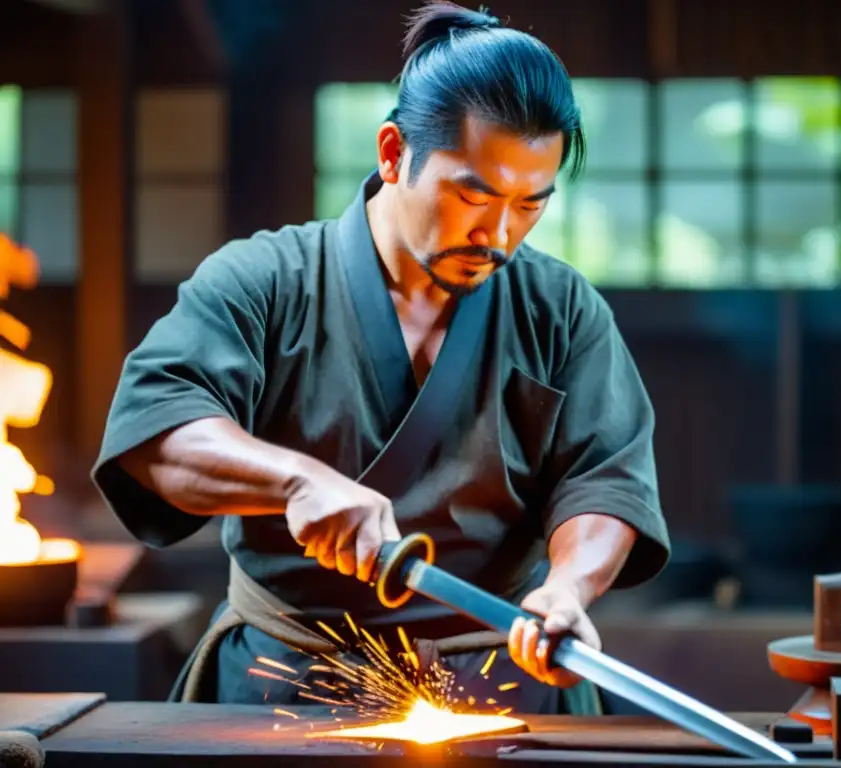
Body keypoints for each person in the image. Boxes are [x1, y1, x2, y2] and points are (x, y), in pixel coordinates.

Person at [92, 0, 670, 715]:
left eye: (530, 205)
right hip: (286, 683)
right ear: (394, 153)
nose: (498, 234)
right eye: (472, 193)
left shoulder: (561, 308)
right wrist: (295, 480)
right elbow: (158, 434)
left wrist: (568, 588)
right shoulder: (264, 281)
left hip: (502, 686)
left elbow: (606, 479)